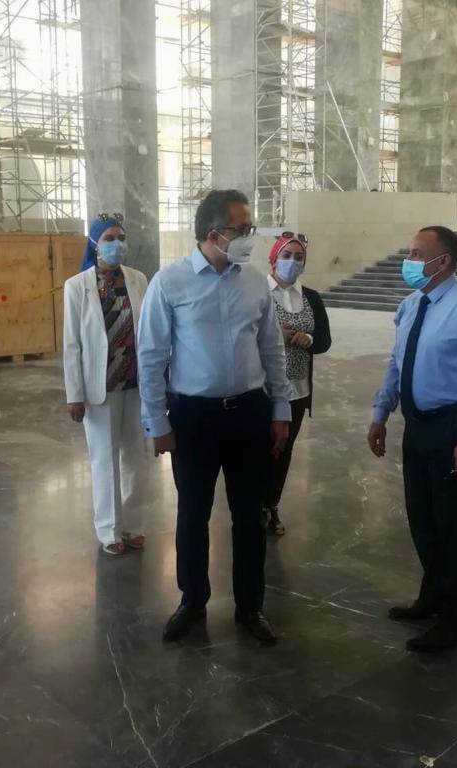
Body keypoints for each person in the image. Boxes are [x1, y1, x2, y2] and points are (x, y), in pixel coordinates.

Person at [138, 189, 290, 646]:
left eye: (249, 228)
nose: (249, 236)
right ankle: (192, 600)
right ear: (213, 233)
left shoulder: (255, 282)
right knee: (192, 515)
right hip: (194, 418)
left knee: (249, 517)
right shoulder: (170, 283)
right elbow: (151, 357)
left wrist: (280, 410)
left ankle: (250, 606)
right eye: (241, 229)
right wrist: (158, 423)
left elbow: (272, 350)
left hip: (249, 413)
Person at [368, 225, 457, 653]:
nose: (408, 261)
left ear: (441, 261)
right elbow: (397, 363)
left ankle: (455, 621)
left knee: (453, 526)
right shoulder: (411, 305)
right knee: (422, 518)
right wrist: (381, 413)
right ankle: (432, 598)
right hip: (417, 426)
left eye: (415, 253)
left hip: (453, 430)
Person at [63, 214, 149, 556]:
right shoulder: (77, 286)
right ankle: (110, 530)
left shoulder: (138, 279)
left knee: (135, 457)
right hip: (100, 385)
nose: (117, 244)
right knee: (104, 459)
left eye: (121, 238)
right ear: (95, 244)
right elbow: (72, 344)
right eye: (110, 238)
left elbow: (148, 330)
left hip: (135, 382)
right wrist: (74, 395)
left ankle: (133, 524)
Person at [262, 233, 332, 536]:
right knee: (259, 451)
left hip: (298, 390)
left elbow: (325, 340)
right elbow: (242, 337)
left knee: (283, 451)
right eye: (287, 255)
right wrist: (274, 334)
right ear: (274, 258)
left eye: (299, 257)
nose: (292, 262)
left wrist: (309, 339)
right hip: (263, 390)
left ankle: (271, 505)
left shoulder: (311, 297)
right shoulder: (259, 293)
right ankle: (252, 506)